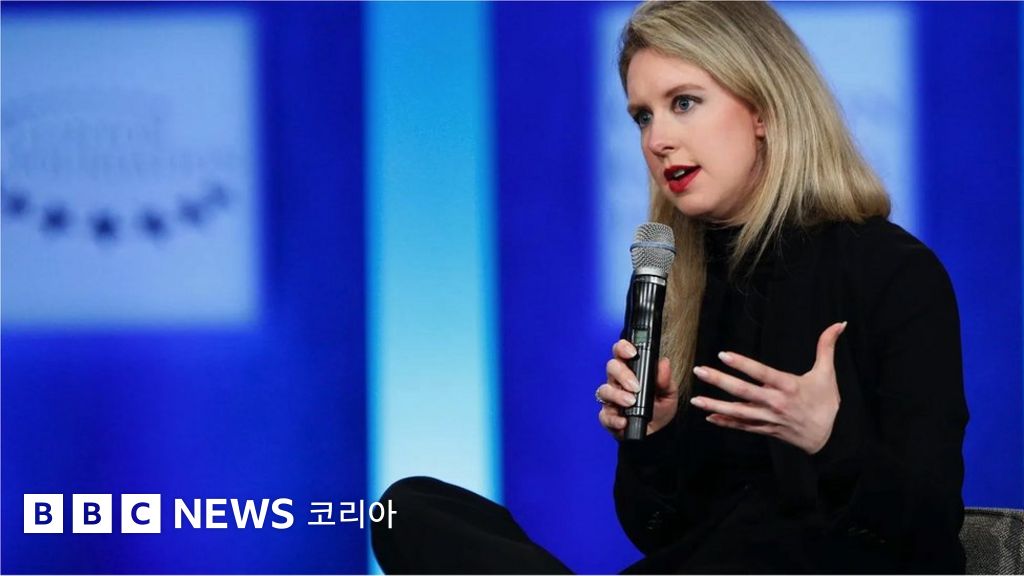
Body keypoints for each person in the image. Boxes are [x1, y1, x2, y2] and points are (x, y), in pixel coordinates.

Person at [372, 1, 968, 573]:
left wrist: (828, 438)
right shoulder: (673, 285)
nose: (657, 140)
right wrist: (654, 439)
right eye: (643, 116)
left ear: (764, 109)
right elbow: (658, 534)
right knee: (408, 509)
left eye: (684, 103)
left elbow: (929, 529)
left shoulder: (892, 271)